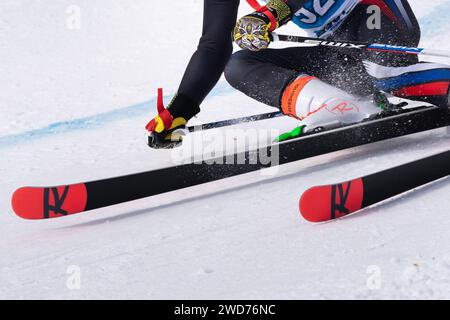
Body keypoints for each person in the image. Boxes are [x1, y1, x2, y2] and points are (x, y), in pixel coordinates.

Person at [146, 0, 450, 148]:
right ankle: (335, 107)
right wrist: (181, 109)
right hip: (339, 55)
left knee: (381, 72)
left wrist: (270, 14)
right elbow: (213, 44)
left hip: (376, 22)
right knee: (240, 64)